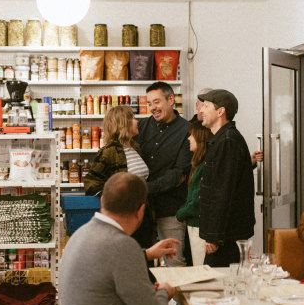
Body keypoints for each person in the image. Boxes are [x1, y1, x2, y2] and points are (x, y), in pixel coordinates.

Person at [59, 172, 179, 305]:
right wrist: (165, 291)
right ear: (141, 210)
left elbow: (106, 261)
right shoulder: (122, 246)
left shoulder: (81, 233)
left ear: (102, 200)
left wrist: (146, 254)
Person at [135, 81, 192, 266]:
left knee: (174, 262)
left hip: (170, 208)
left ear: (170, 99)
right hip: (142, 210)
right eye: (149, 103)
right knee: (142, 262)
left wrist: (144, 188)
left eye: (156, 102)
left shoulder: (187, 130)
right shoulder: (142, 127)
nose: (153, 108)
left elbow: (179, 173)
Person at [197, 89, 255, 266]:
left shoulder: (228, 141)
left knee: (220, 286)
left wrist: (214, 237)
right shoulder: (222, 139)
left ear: (220, 111)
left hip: (226, 236)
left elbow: (222, 192)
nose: (201, 111)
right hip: (225, 233)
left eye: (206, 106)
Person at [84, 105, 149, 196]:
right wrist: (113, 196)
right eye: (133, 118)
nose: (137, 121)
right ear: (123, 124)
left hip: (140, 207)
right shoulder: (110, 151)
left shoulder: (135, 148)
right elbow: (91, 181)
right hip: (124, 208)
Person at [175, 121, 212, 266]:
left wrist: (181, 213)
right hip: (195, 223)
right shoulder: (199, 163)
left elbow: (197, 199)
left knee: (200, 266)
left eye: (192, 135)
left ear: (201, 138)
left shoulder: (204, 166)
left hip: (198, 226)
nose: (189, 138)